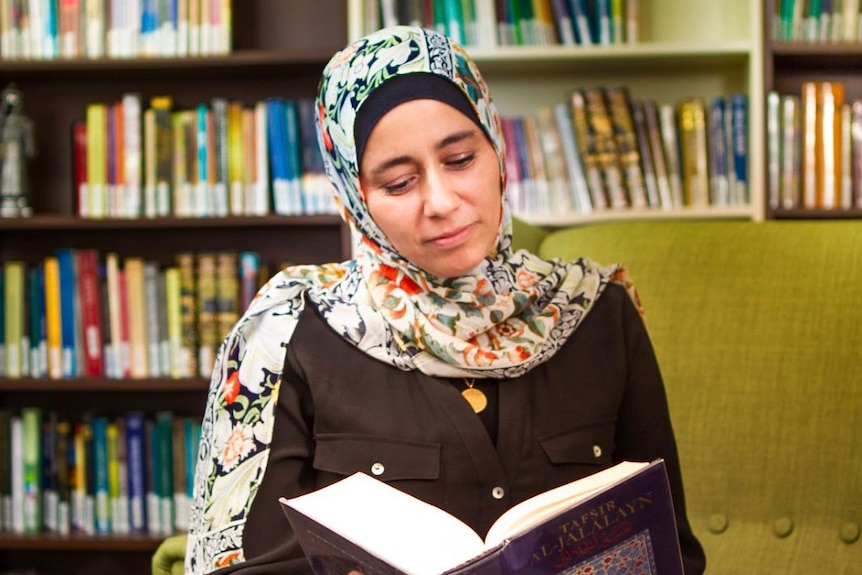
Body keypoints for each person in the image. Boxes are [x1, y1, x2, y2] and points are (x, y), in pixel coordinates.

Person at [185, 25, 706, 575]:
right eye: (399, 183)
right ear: (355, 198)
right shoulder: (288, 329)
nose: (441, 201)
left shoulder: (600, 312)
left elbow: (670, 549)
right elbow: (238, 564)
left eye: (460, 160)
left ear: (497, 150)